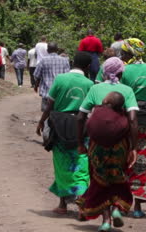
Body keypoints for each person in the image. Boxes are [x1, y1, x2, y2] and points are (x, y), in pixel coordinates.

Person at [76, 57, 139, 231]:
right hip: (120, 145)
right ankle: (117, 209)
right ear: (120, 72)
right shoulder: (127, 90)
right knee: (118, 175)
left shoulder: (95, 88)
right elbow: (133, 120)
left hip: (97, 145)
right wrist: (133, 147)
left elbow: (81, 117)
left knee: (100, 178)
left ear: (104, 72)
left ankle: (105, 221)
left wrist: (81, 142)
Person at [36, 51, 93, 215]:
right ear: (88, 67)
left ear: (73, 62)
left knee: (61, 164)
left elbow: (50, 104)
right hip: (81, 126)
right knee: (81, 164)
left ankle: (62, 205)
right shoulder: (89, 83)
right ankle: (82, 204)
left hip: (59, 125)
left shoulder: (60, 79)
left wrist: (41, 122)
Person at [120, 38, 146, 218]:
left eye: (123, 53)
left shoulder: (123, 70)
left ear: (130, 53)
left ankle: (120, 204)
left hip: (126, 118)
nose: (121, 56)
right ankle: (138, 207)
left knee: (123, 160)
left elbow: (119, 95)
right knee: (144, 162)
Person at [34, 42, 70, 111]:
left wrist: (36, 86)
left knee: (46, 113)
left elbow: (37, 75)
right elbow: (67, 76)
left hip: (47, 93)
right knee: (58, 114)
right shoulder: (65, 60)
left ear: (47, 50)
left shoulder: (43, 60)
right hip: (60, 94)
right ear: (57, 50)